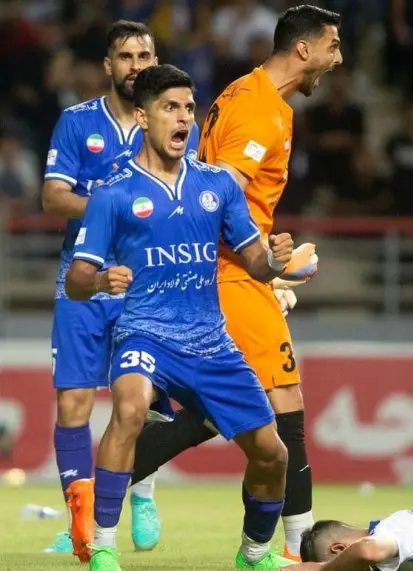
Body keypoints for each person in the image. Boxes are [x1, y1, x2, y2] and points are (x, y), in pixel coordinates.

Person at [126, 4, 342, 562]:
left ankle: (109, 471)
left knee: (225, 410)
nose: (338, 59)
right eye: (332, 46)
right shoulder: (259, 111)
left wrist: (267, 269)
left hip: (237, 270)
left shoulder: (248, 95)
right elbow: (215, 194)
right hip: (229, 272)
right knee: (282, 401)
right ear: (304, 49)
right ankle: (298, 549)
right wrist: (267, 266)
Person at [65, 64, 295, 571]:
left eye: (189, 108)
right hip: (144, 333)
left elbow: (255, 262)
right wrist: (102, 282)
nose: (184, 118)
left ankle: (254, 554)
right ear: (143, 117)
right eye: (170, 107)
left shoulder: (217, 185)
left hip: (211, 342)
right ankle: (102, 544)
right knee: (130, 408)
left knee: (273, 454)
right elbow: (76, 281)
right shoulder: (113, 193)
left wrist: (275, 261)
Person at [40, 19, 200, 556]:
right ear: (109, 66)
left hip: (149, 283)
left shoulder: (173, 121)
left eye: (144, 56)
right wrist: (116, 207)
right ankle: (80, 524)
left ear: (156, 62)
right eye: (126, 57)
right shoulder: (76, 122)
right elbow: (53, 197)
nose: (136, 66)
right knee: (74, 402)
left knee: (144, 401)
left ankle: (143, 492)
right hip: (83, 277)